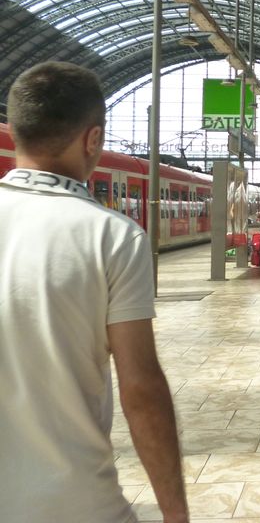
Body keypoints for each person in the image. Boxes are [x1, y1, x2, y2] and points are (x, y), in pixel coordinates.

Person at [0, 61, 188, 523]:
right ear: (93, 139)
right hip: (76, 504)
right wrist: (175, 514)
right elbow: (140, 390)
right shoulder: (114, 237)